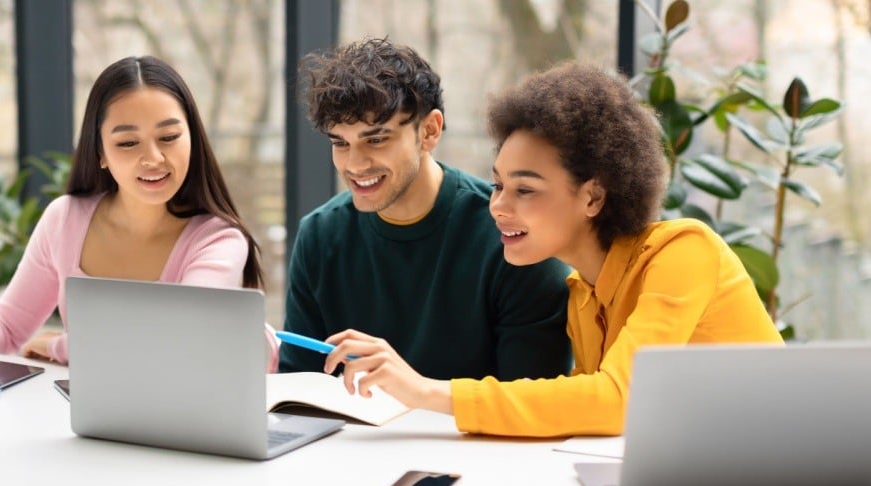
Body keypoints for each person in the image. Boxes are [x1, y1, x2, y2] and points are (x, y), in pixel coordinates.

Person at [322, 61, 784, 438]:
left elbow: (617, 399)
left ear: (593, 197)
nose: (497, 206)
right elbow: (579, 410)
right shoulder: (582, 294)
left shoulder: (684, 251)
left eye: (525, 190)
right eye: (499, 184)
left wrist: (424, 391)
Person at [0, 55, 278, 371]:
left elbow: (174, 343)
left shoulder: (218, 240)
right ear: (100, 154)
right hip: (94, 425)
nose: (154, 158)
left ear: (193, 138)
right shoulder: (65, 219)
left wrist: (60, 345)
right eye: (128, 142)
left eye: (170, 137)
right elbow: (8, 326)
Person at [279, 38, 572, 382]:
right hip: (349, 437)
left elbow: (532, 407)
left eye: (376, 139)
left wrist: (415, 388)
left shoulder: (513, 237)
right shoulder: (319, 236)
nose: (354, 165)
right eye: (340, 143)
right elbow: (297, 390)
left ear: (429, 131)